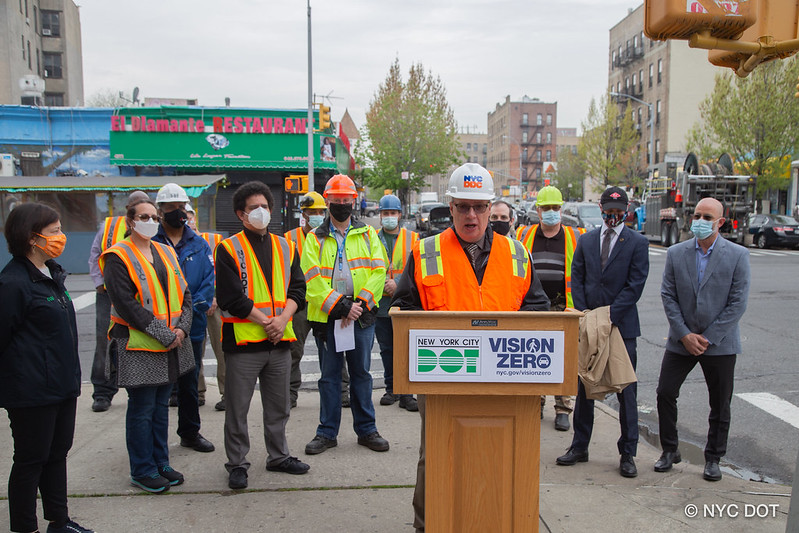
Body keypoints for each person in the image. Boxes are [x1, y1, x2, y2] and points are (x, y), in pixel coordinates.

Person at [392, 163, 550, 532]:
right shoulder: (425, 251)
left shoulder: (516, 254)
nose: (471, 215)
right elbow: (403, 309)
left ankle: (494, 519)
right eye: (463, 206)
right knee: (435, 457)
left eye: (479, 207)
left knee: (498, 454)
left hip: (505, 382)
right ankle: (427, 524)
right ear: (450, 207)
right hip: (441, 380)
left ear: (491, 207)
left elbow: (538, 309)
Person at [0, 203, 95, 533]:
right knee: (30, 461)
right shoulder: (13, 283)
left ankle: (59, 520)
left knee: (57, 456)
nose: (60, 236)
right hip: (31, 392)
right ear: (31, 237)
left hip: (62, 386)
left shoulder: (51, 274)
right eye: (54, 231)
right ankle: (25, 527)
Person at [215, 181, 310, 490]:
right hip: (243, 343)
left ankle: (279, 456)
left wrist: (282, 319)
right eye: (253, 208)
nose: (261, 212)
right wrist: (267, 320)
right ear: (241, 215)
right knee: (237, 408)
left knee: (279, 406)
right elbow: (231, 298)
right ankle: (238, 463)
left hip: (279, 340)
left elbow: (298, 289)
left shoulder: (286, 245)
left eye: (265, 207)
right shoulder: (228, 248)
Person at [100, 197, 195, 493]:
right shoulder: (117, 256)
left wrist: (182, 328)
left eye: (154, 217)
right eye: (144, 216)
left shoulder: (165, 251)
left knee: (160, 408)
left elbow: (185, 294)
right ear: (130, 221)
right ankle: (142, 469)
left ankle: (161, 462)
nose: (151, 221)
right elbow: (126, 304)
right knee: (141, 409)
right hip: (139, 345)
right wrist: (165, 334)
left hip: (170, 344)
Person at [556, 186, 649, 478]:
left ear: (627, 211)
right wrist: (588, 315)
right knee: (585, 386)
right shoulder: (587, 240)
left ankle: (628, 453)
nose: (614, 216)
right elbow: (578, 276)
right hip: (590, 322)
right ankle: (580, 445)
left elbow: (635, 284)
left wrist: (609, 316)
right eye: (609, 210)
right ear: (601, 207)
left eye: (619, 212)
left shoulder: (637, 243)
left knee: (626, 390)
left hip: (621, 326)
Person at [655, 197, 750, 481]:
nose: (700, 221)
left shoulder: (737, 255)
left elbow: (737, 303)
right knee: (664, 393)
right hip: (681, 340)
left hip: (718, 343)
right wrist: (684, 334)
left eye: (707, 217)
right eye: (697, 215)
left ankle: (713, 458)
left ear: (721, 222)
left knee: (720, 403)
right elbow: (668, 295)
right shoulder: (676, 253)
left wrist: (707, 338)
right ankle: (670, 450)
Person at [302, 174, 390, 456]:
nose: (341, 204)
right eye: (336, 199)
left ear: (354, 201)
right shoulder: (314, 238)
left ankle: (367, 430)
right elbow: (311, 278)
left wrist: (361, 303)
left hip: (360, 315)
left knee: (361, 374)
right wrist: (340, 305)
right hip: (330, 316)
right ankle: (326, 433)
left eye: (346, 199)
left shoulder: (368, 234)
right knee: (329, 377)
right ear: (327, 201)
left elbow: (379, 270)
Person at [152, 183, 216, 454]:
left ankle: (190, 432)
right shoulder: (151, 244)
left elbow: (207, 282)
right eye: (171, 208)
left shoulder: (199, 244)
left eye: (181, 208)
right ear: (160, 211)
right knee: (158, 386)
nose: (177, 212)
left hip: (192, 326)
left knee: (189, 382)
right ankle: (154, 441)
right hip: (158, 327)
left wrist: (187, 318)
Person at [516, 186, 586, 432]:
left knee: (564, 359)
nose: (551, 213)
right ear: (538, 210)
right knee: (531, 357)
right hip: (533, 305)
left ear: (562, 208)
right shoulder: (524, 233)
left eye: (555, 208)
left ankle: (563, 408)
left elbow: (583, 272)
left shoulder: (575, 236)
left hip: (563, 306)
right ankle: (536, 403)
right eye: (546, 208)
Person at [88, 190, 151, 412]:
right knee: (105, 341)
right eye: (138, 209)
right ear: (129, 211)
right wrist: (100, 283)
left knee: (142, 340)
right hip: (108, 294)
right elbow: (96, 255)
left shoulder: (152, 225)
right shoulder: (110, 227)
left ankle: (143, 384)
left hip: (142, 295)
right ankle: (103, 392)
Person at [375, 193, 419, 411]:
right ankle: (391, 388)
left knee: (405, 349)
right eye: (385, 213)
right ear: (380, 216)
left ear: (400, 215)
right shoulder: (371, 237)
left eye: (392, 213)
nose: (389, 217)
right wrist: (382, 281)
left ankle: (406, 393)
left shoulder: (413, 238)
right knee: (386, 349)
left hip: (403, 302)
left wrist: (397, 283)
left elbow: (418, 268)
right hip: (380, 304)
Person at [284, 191, 327, 408]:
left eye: (321, 211)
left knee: (332, 350)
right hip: (300, 304)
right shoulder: (290, 239)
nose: (318, 215)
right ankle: (290, 394)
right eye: (313, 212)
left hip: (324, 303)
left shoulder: (330, 236)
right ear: (304, 214)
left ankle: (342, 392)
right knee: (293, 350)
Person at [190, 207, 227, 412]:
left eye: (189, 217)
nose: (187, 222)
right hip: (191, 306)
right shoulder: (174, 245)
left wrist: (213, 296)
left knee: (222, 349)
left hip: (214, 303)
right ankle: (198, 392)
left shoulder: (214, 240)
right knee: (196, 350)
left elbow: (222, 270)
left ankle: (226, 393)